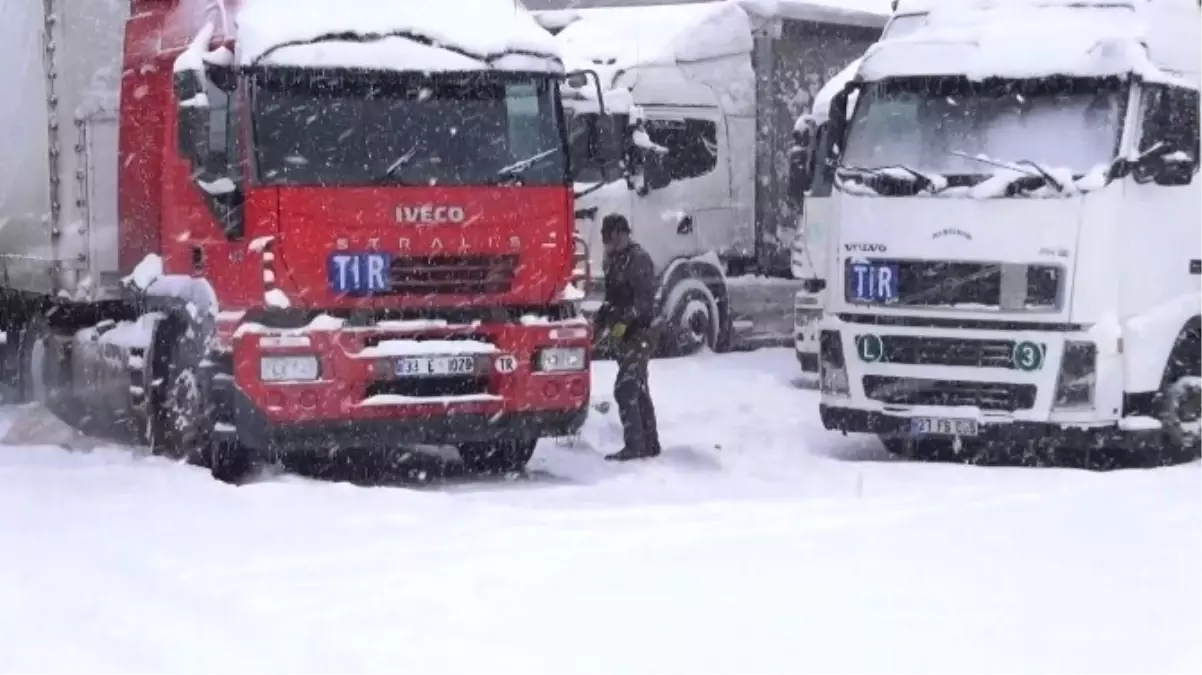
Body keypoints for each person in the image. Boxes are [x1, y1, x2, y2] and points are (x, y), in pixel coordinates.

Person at [593, 214, 662, 461]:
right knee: (639, 387)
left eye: (610, 238)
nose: (607, 244)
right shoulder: (614, 260)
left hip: (641, 332)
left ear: (621, 235)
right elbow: (612, 299)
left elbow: (644, 302)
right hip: (625, 334)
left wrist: (624, 322)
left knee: (626, 388)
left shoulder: (638, 260)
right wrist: (598, 324)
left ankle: (635, 445)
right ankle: (650, 442)